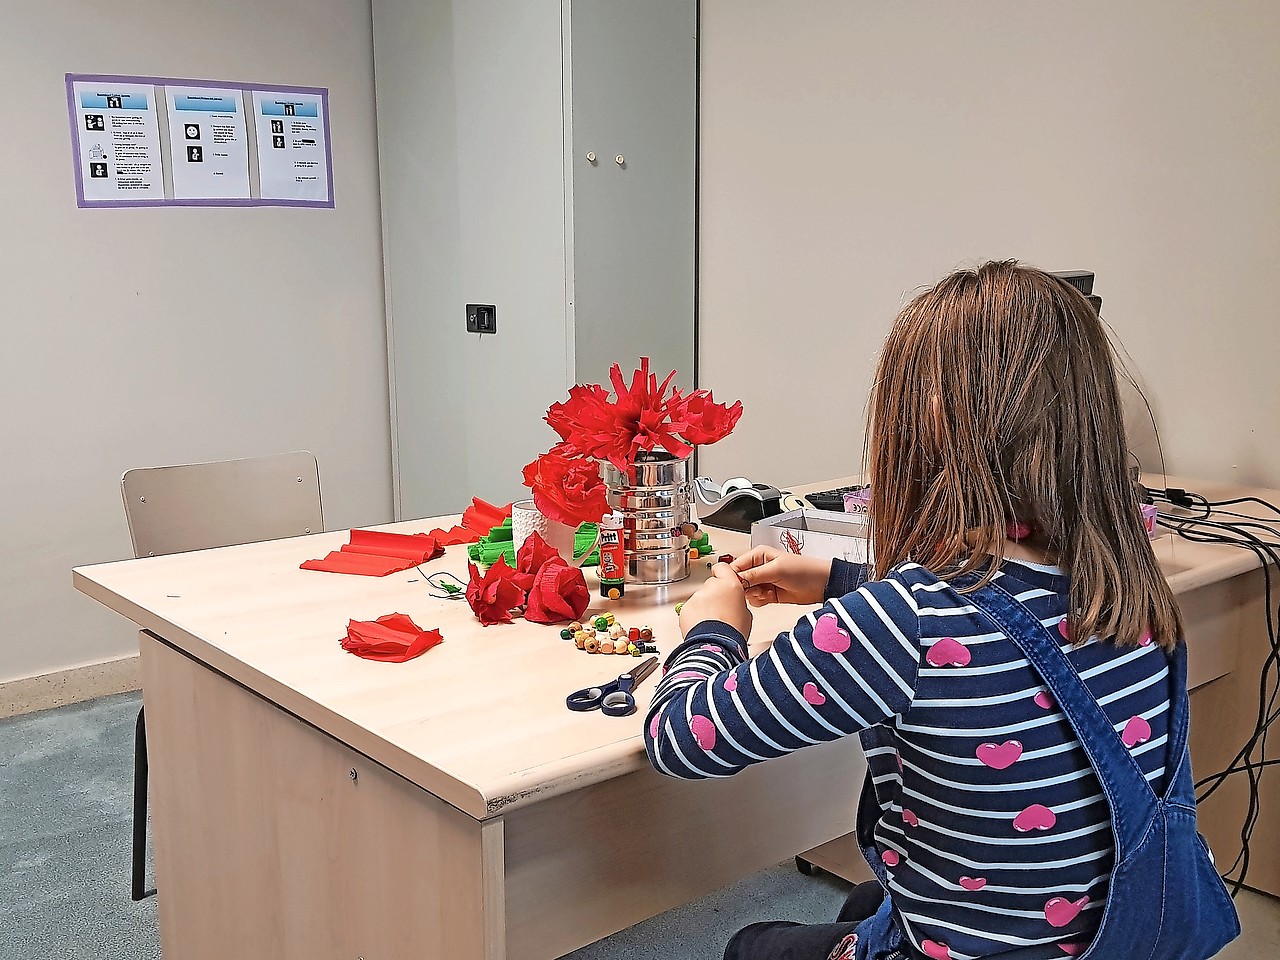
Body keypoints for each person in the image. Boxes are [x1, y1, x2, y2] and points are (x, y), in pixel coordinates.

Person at [645, 261, 1239, 960]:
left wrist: (713, 627)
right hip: (1118, 936)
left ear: (925, 427)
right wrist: (842, 577)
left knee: (752, 943)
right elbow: (1001, 612)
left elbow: (682, 739)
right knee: (868, 898)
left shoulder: (899, 623)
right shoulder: (1128, 585)